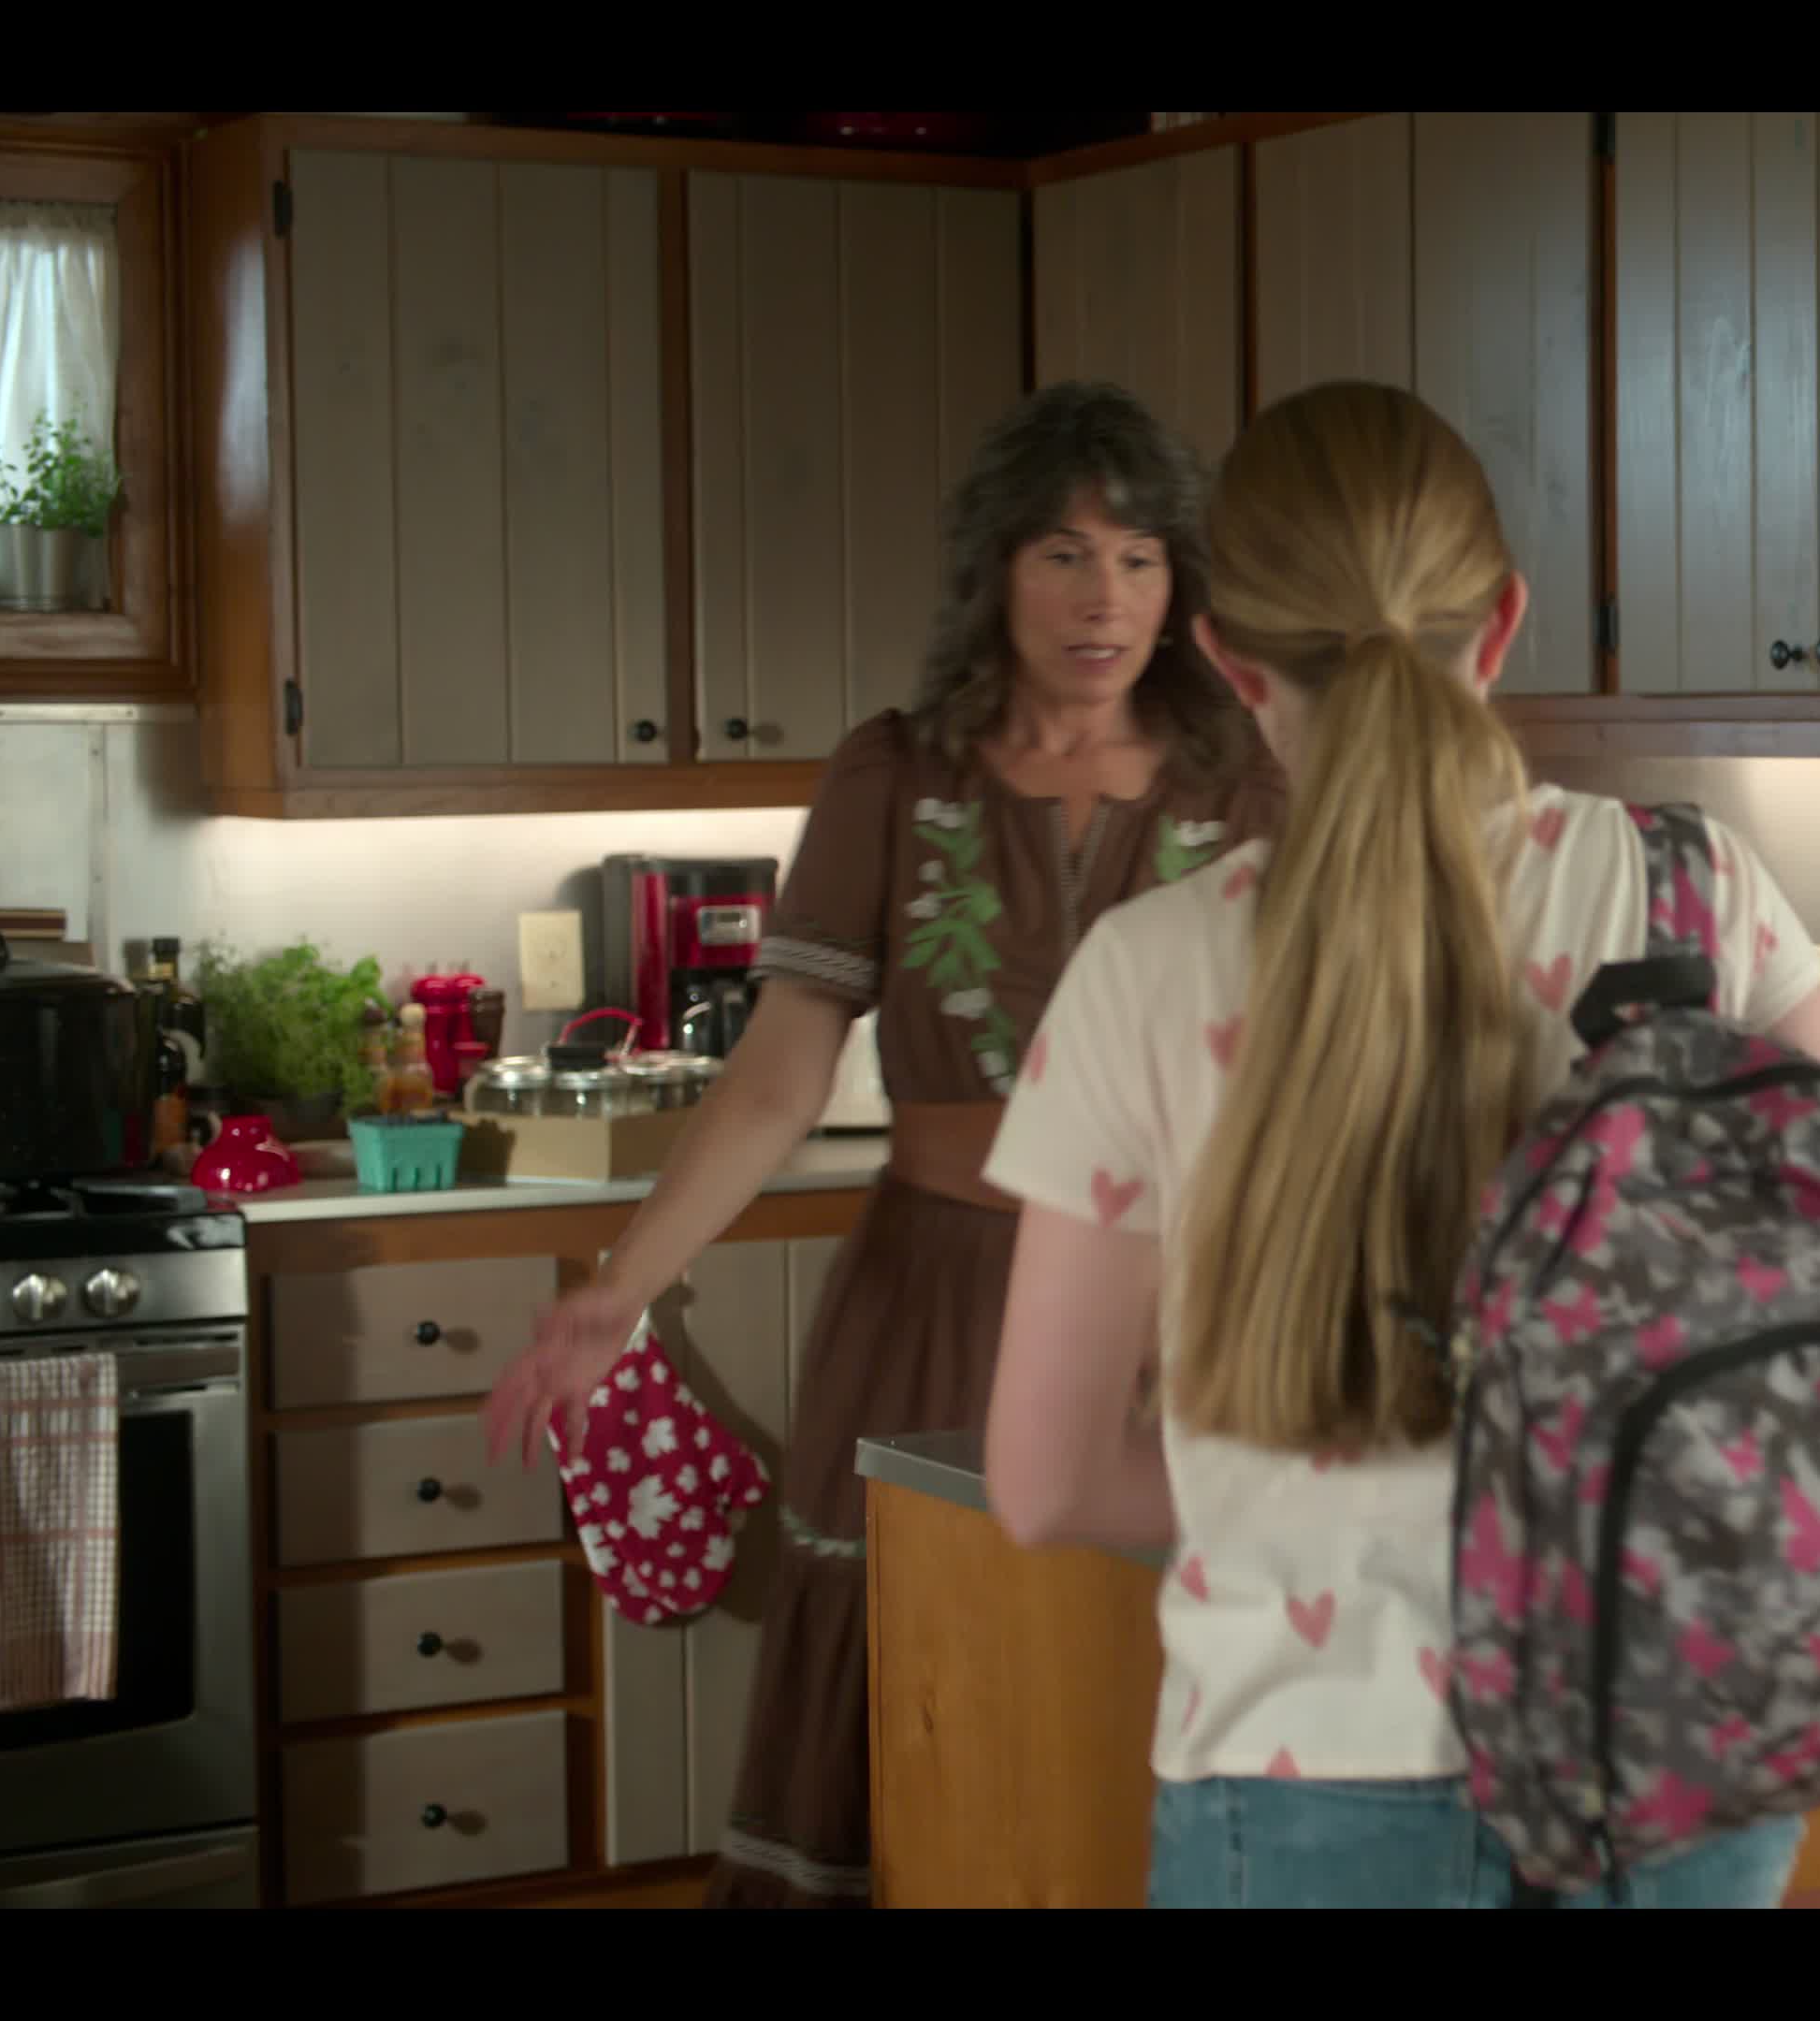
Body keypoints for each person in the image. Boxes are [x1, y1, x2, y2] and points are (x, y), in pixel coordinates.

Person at [977, 381, 1820, 1910]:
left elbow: (1044, 1483)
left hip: (1308, 1770)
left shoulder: (1147, 970)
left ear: (1228, 658)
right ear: (1503, 621)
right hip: (1676, 1740)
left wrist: (1299, 1494)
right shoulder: (1698, 894)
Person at [478, 382, 1285, 1909]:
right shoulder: (896, 775)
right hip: (932, 1296)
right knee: (903, 1657)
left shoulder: (1245, 781)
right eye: (1063, 554)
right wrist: (619, 1287)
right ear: (997, 571)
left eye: (1138, 559)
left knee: (1129, 1659)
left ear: (1180, 582)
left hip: (1184, 1310)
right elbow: (777, 1081)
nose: (1103, 599)